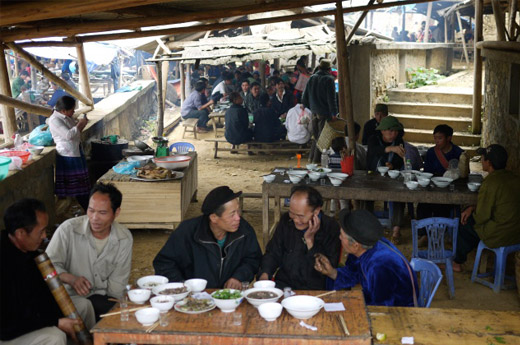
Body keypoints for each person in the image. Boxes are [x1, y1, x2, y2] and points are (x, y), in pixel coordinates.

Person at [1, 199, 95, 344]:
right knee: (54, 336)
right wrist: (56, 321)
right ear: (20, 233)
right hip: (9, 332)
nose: (45, 236)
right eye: (41, 231)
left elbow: (42, 299)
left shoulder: (30, 253)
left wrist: (58, 318)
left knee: (84, 306)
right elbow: (9, 322)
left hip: (34, 316)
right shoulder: (5, 263)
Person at [46, 183, 133, 320]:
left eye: (102, 213)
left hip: (103, 298)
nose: (94, 218)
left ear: (116, 213)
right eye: (91, 210)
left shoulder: (124, 238)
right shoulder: (68, 230)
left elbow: (117, 287)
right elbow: (47, 267)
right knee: (86, 307)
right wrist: (70, 278)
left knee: (123, 316)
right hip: (70, 297)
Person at [153, 186, 262, 289]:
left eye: (238, 211)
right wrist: (182, 286)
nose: (238, 218)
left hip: (228, 297)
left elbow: (253, 259)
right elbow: (164, 263)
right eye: (232, 214)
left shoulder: (244, 230)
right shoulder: (187, 232)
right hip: (193, 298)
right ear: (214, 218)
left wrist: (238, 277)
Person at [314, 209, 418, 307]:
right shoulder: (364, 246)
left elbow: (382, 308)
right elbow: (354, 273)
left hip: (399, 314)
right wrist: (332, 272)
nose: (339, 237)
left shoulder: (380, 266)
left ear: (355, 245)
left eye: (342, 235)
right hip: (375, 300)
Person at [258, 186, 340, 290]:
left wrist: (310, 241)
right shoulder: (286, 221)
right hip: (285, 285)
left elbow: (328, 268)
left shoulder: (330, 227)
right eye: (292, 214)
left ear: (316, 211)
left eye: (301, 216)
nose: (296, 220)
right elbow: (273, 252)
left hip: (315, 289)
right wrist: (265, 274)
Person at [453, 144, 520, 271]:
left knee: (465, 223)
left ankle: (457, 262)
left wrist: (471, 211)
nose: (481, 160)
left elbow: (482, 217)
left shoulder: (489, 183)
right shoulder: (515, 178)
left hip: (500, 234)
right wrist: (473, 207)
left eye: (482, 158)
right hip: (517, 233)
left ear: (488, 163)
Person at [366, 116, 406, 243]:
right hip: (373, 175)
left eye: (395, 131)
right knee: (365, 195)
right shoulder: (373, 139)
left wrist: (393, 165)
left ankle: (396, 230)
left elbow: (400, 161)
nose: (393, 134)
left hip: (392, 177)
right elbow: (373, 151)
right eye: (390, 131)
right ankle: (367, 226)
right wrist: (390, 149)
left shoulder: (399, 142)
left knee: (400, 195)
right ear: (382, 131)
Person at [48, 96, 90, 211]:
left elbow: (75, 133)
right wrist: (80, 124)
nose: (74, 112)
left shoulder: (67, 117)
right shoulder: (54, 120)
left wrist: (81, 124)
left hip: (76, 151)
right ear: (63, 111)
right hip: (68, 156)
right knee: (78, 188)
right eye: (72, 110)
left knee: (83, 186)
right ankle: (86, 208)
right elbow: (69, 135)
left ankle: (86, 208)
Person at [301, 59, 338, 163]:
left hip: (314, 113)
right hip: (324, 113)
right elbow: (332, 99)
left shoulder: (312, 78)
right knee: (322, 138)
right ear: (329, 69)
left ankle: (311, 158)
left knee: (317, 137)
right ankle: (316, 160)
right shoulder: (329, 79)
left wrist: (311, 107)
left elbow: (304, 98)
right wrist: (334, 113)